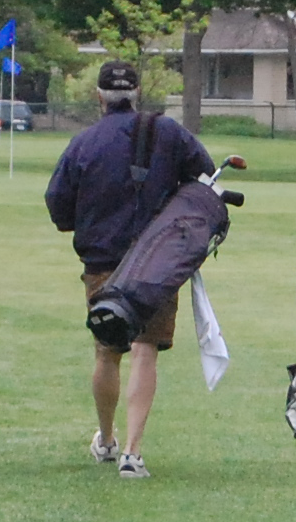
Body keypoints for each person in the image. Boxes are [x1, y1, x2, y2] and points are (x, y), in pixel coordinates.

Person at [44, 61, 214, 479]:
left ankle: (106, 438)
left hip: (102, 263)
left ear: (98, 97)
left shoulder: (83, 143)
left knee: (107, 352)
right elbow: (206, 178)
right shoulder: (169, 133)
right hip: (157, 260)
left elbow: (57, 203)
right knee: (145, 351)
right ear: (138, 92)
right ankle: (133, 453)